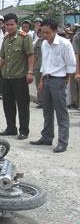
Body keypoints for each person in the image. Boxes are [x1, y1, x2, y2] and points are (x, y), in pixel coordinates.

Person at [30, 20, 76, 153]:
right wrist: (41, 81)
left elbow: (71, 64)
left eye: (47, 32)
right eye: (42, 32)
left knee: (61, 112)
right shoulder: (44, 43)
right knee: (47, 110)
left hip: (59, 80)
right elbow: (45, 63)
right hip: (46, 79)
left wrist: (65, 80)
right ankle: (47, 137)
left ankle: (63, 142)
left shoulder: (65, 44)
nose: (45, 35)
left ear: (55, 31)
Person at [0, 13, 34, 140]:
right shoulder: (5, 39)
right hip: (7, 77)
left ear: (17, 24)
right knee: (8, 105)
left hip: (20, 77)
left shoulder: (25, 37)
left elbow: (30, 55)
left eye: (12, 24)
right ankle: (11, 128)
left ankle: (24, 131)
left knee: (22, 105)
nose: (9, 27)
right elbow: (3, 57)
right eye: (7, 25)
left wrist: (30, 72)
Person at [33, 28, 44, 108]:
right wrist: (32, 66)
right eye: (39, 32)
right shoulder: (38, 41)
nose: (40, 34)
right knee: (38, 84)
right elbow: (35, 55)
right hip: (38, 66)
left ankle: (47, 101)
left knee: (45, 84)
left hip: (47, 67)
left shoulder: (50, 41)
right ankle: (40, 101)